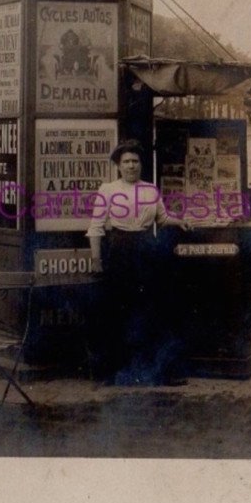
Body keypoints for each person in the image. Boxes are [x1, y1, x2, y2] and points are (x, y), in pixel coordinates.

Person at [86, 140, 191, 386]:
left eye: (135, 161)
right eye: (126, 162)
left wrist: (180, 221)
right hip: (119, 251)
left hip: (147, 249)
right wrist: (96, 260)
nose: (131, 166)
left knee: (152, 310)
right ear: (118, 166)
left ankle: (159, 373)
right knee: (116, 311)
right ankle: (110, 374)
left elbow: (162, 219)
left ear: (140, 165)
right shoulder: (108, 190)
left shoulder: (151, 190)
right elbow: (95, 228)